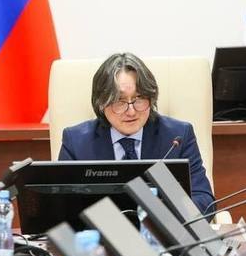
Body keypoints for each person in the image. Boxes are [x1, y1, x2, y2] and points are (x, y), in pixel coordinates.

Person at [58, 52, 215, 214]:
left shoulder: (177, 136)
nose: (131, 111)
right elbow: (61, 205)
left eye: (139, 99)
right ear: (101, 103)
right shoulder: (76, 142)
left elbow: (203, 199)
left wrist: (161, 219)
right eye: (119, 101)